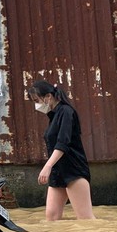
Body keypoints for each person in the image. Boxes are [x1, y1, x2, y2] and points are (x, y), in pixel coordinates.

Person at [28, 80, 96, 221]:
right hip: (58, 171)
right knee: (51, 217)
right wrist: (52, 168)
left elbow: (63, 143)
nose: (36, 105)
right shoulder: (53, 115)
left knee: (86, 219)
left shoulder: (66, 111)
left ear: (48, 97)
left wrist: (47, 166)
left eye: (37, 100)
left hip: (73, 170)